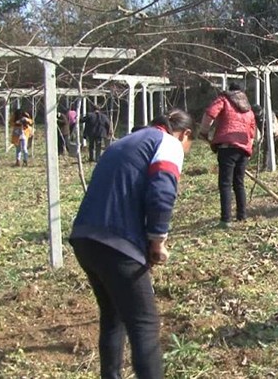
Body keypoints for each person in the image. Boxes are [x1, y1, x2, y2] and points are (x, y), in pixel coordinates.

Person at [69, 109, 194, 379]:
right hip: (117, 242)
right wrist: (158, 241)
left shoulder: (125, 141)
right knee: (144, 325)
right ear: (185, 135)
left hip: (85, 237)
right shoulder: (168, 143)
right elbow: (162, 194)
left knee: (113, 315)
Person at [199, 83, 257, 227]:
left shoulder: (223, 100)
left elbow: (210, 114)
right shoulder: (248, 109)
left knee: (225, 184)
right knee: (239, 183)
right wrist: (248, 150)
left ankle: (226, 220)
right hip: (243, 149)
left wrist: (204, 132)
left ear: (230, 90)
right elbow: (252, 132)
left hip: (227, 147)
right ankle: (241, 216)